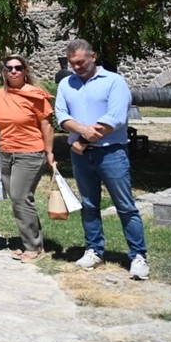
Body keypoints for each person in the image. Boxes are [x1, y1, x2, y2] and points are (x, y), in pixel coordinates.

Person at [55, 39, 148, 280]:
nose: (77, 67)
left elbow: (115, 117)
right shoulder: (66, 84)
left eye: (81, 62)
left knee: (125, 205)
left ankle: (138, 255)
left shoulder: (114, 81)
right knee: (89, 204)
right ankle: (94, 249)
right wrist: (82, 132)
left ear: (93, 57)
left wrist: (83, 140)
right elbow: (61, 115)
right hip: (81, 156)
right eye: (73, 63)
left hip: (111, 152)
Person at [0, 54, 56, 263]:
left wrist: (49, 152)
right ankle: (31, 240)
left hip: (29, 153)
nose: (13, 71)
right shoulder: (0, 95)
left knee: (21, 197)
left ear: (25, 71)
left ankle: (33, 247)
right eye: (9, 68)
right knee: (17, 199)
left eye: (18, 68)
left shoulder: (36, 95)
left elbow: (47, 125)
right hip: (6, 153)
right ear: (4, 72)